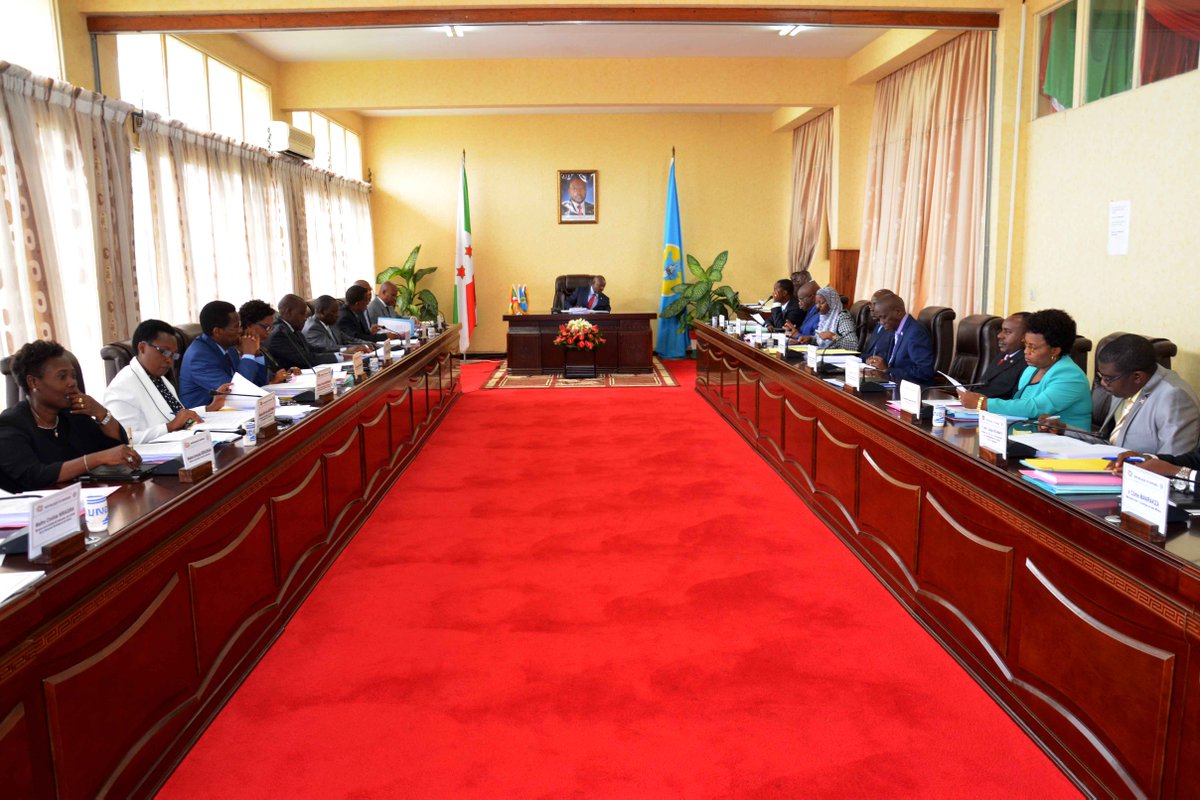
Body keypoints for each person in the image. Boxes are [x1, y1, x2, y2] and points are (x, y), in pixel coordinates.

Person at [0, 340, 139, 492]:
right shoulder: (10, 424)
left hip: (81, 497)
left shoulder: (72, 414)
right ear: (33, 382)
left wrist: (101, 413)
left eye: (73, 376)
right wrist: (97, 458)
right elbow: (34, 476)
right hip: (36, 504)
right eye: (62, 377)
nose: (72, 383)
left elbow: (114, 450)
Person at [1044, 334, 1200, 455]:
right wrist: (1064, 429)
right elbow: (1111, 443)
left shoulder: (1174, 398)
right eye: (1101, 376)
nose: (1103, 383)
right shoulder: (1124, 385)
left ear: (1137, 377)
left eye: (1108, 378)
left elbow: (1172, 463)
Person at [959, 308, 1091, 429]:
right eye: (1026, 345)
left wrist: (983, 404)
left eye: (1033, 347)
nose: (1026, 352)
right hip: (1030, 435)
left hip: (1067, 442)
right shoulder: (1031, 370)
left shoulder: (1070, 375)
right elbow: (1020, 405)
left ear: (1055, 350)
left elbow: (1035, 407)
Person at [104, 320, 230, 444]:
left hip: (184, 444)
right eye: (164, 352)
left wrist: (210, 408)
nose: (169, 360)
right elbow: (125, 439)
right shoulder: (121, 387)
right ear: (142, 348)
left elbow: (178, 416)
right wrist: (169, 427)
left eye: (173, 355)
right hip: (155, 454)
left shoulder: (158, 377)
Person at [179, 300, 271, 408]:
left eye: (240, 325)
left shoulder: (228, 347)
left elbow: (258, 385)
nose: (241, 330)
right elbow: (238, 392)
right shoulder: (199, 357)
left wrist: (256, 353)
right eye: (236, 326)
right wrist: (248, 354)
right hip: (204, 415)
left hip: (230, 409)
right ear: (217, 331)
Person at [862, 294, 935, 385]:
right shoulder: (897, 328)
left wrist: (887, 370)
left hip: (913, 388)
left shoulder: (915, 332)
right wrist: (877, 363)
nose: (881, 322)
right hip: (896, 383)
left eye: (883, 317)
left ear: (898, 312)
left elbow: (925, 371)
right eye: (879, 318)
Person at [268, 294, 340, 370]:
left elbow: (312, 349)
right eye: (302, 313)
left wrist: (340, 352)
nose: (305, 318)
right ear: (288, 312)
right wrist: (338, 357)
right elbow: (304, 359)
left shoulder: (293, 328)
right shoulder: (279, 333)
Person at [972, 312, 1030, 400]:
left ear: (1024, 336)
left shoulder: (1027, 362)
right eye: (1001, 330)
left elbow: (1014, 399)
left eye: (1007, 332)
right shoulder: (1003, 355)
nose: (999, 335)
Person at [240, 300, 294, 383]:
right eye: (266, 327)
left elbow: (265, 378)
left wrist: (288, 374)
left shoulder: (261, 347)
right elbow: (245, 384)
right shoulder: (237, 351)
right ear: (249, 325)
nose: (269, 332)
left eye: (271, 328)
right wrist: (274, 382)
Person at [304, 295, 374, 357]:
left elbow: (348, 339)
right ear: (322, 312)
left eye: (337, 311)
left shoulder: (330, 322)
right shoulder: (313, 328)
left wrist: (366, 344)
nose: (337, 315)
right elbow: (330, 348)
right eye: (334, 312)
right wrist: (352, 349)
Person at [792, 286, 858, 350]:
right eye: (816, 303)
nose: (818, 306)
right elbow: (823, 342)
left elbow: (853, 345)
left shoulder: (842, 317)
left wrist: (832, 337)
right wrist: (811, 339)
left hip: (838, 356)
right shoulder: (824, 317)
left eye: (821, 303)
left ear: (831, 302)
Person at [859, 289, 897, 357]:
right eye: (871, 304)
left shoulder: (891, 328)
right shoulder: (878, 325)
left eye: (875, 304)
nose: (871, 308)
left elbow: (883, 357)